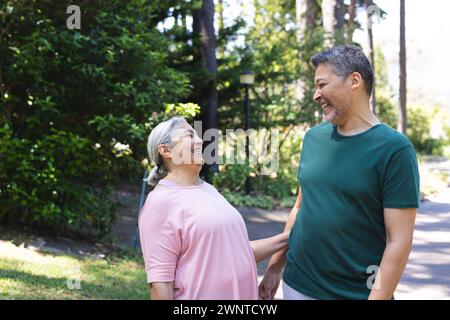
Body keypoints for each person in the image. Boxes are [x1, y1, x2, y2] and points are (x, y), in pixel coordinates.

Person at [259, 45, 420, 300]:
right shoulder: (313, 138)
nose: (316, 94)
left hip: (354, 293)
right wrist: (274, 267)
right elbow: (301, 208)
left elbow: (398, 241)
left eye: (322, 84)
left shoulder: (395, 149)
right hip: (296, 285)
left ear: (354, 80)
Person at [138, 116, 289, 300]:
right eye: (189, 135)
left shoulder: (208, 190)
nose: (200, 140)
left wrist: (288, 238)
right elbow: (161, 285)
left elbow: (236, 252)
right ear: (166, 150)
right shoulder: (160, 202)